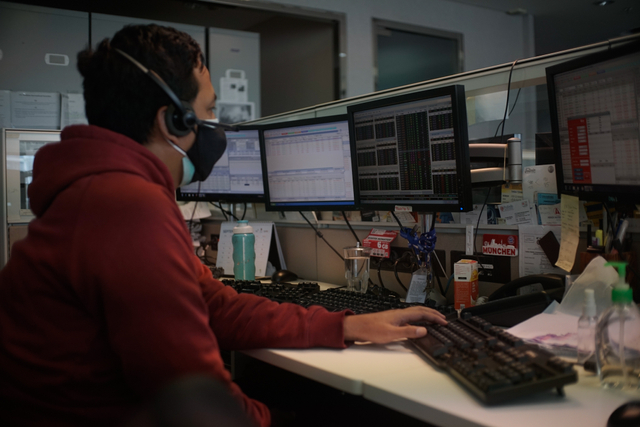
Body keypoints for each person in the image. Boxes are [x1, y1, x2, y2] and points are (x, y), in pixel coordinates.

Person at [0, 24, 446, 427]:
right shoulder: (125, 205)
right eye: (208, 111)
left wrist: (345, 326)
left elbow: (214, 307)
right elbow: (186, 387)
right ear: (172, 120)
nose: (215, 127)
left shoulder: (107, 193)